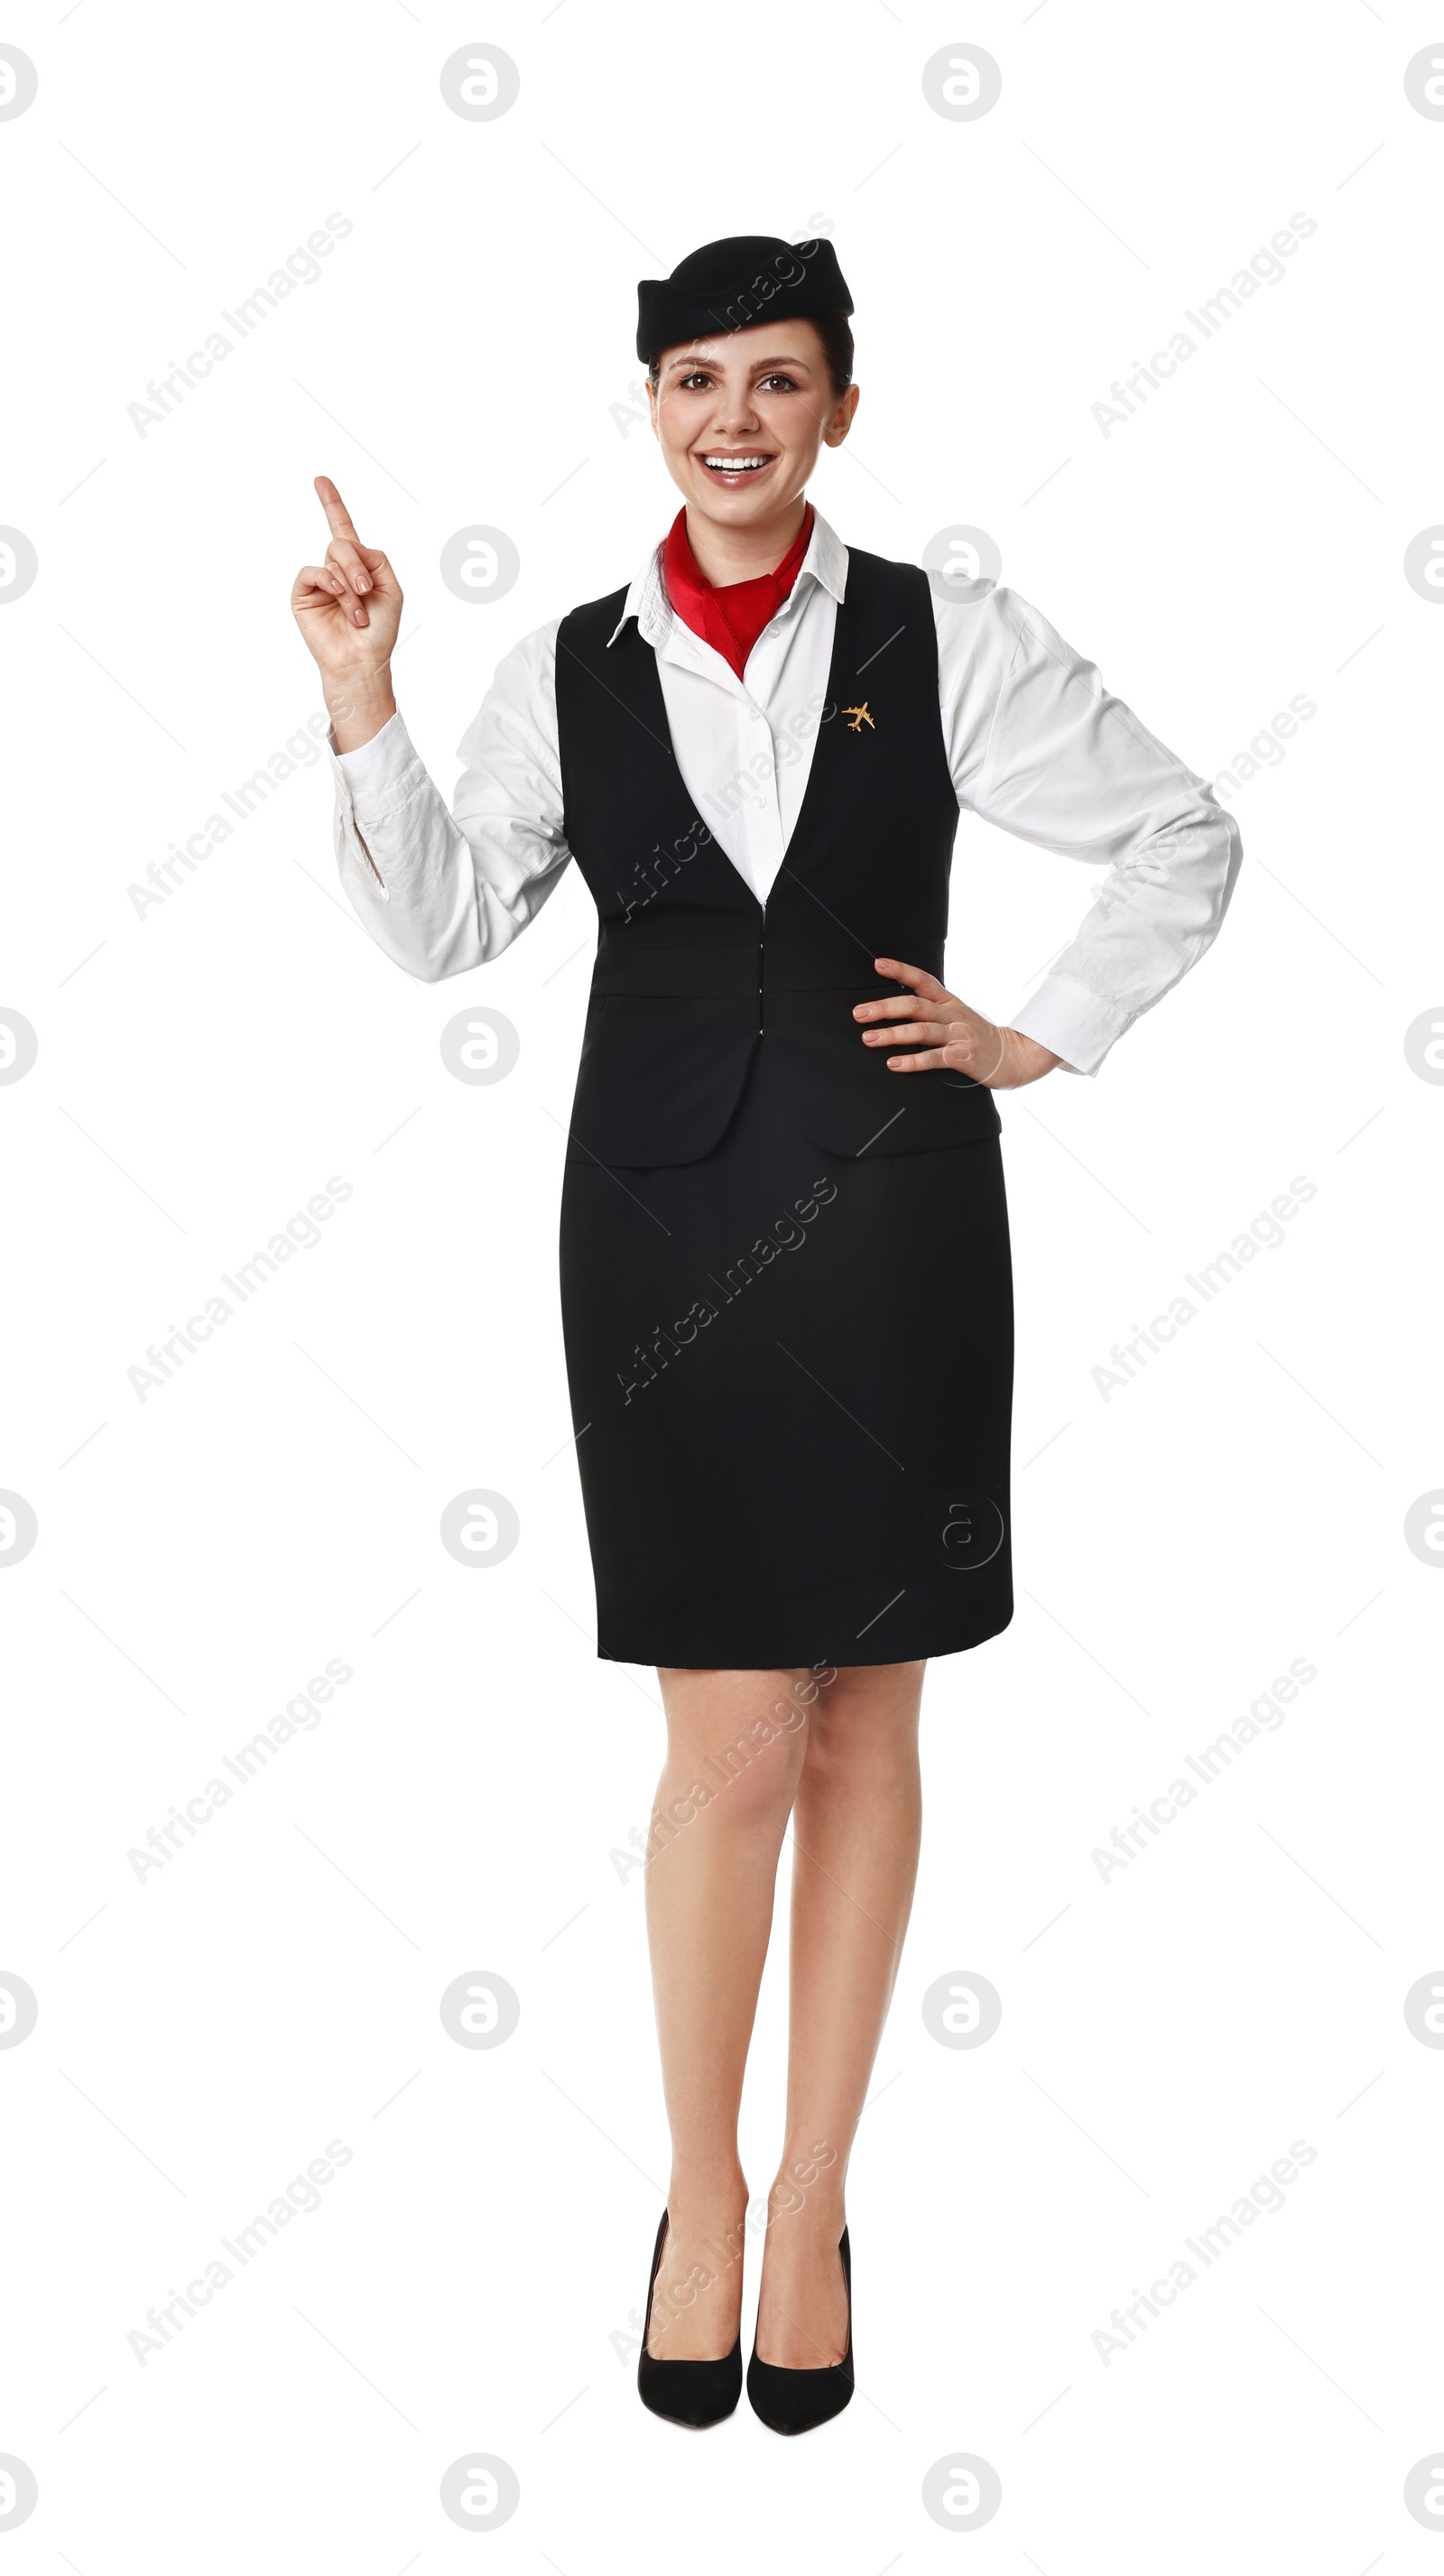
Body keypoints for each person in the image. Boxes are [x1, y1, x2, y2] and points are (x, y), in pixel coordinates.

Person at [291, 233, 1241, 2435]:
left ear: (836, 408)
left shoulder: (941, 629)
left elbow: (1182, 828)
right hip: (660, 1229)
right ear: (649, 404)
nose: (734, 415)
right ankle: (698, 2188)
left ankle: (814, 2192)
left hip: (894, 1221)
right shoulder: (569, 665)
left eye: (778, 378)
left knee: (864, 1732)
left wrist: (1038, 1031)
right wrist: (362, 694)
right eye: (695, 376)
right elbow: (443, 930)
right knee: (725, 1737)